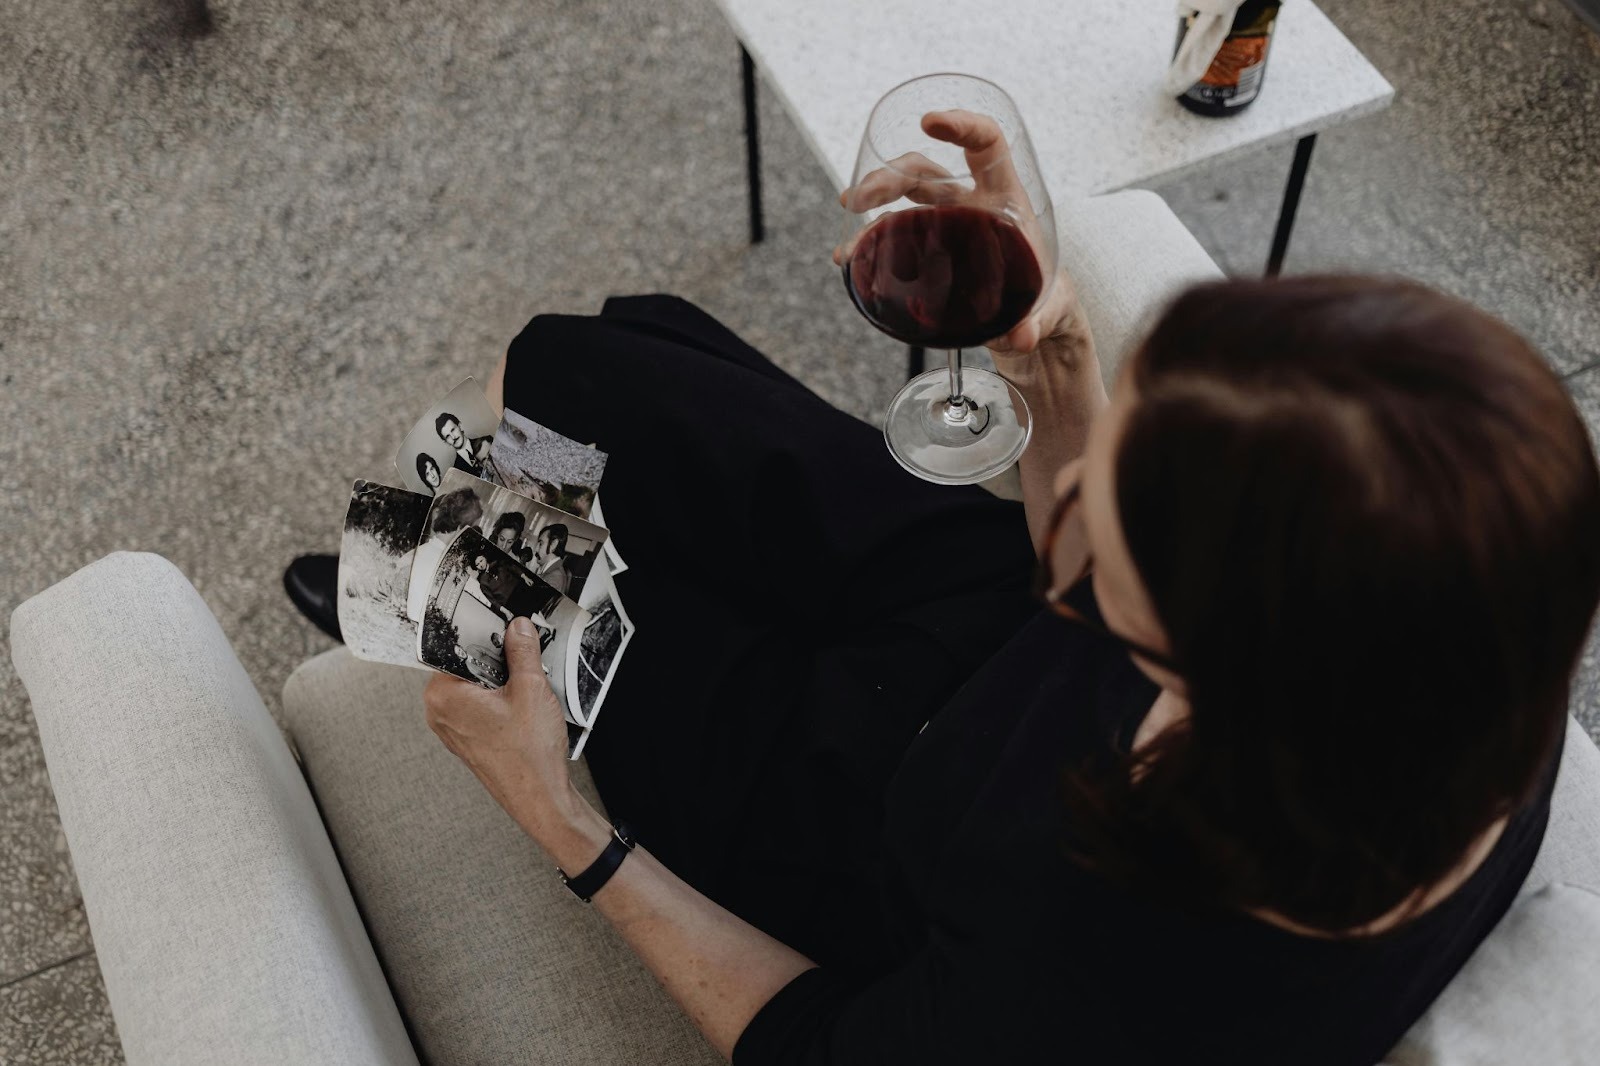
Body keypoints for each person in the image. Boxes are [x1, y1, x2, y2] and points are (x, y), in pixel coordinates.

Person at [308, 116, 1600, 1066]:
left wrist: (555, 819)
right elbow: (1060, 577)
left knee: (512, 587)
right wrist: (1058, 355)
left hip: (862, 829)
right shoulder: (1471, 625)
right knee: (559, 378)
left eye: (1125, 533)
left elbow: (817, 1042)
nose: (1074, 500)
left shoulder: (1097, 975)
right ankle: (467, 503)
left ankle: (404, 578)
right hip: (977, 618)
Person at [436, 412, 493, 476]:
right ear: (446, 442)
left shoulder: (486, 443)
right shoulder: (456, 471)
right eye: (448, 436)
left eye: (453, 430)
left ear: (460, 426)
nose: (453, 437)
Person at [530, 522, 572, 596]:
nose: (536, 549)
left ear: (553, 544)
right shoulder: (550, 570)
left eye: (541, 544)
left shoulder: (555, 577)